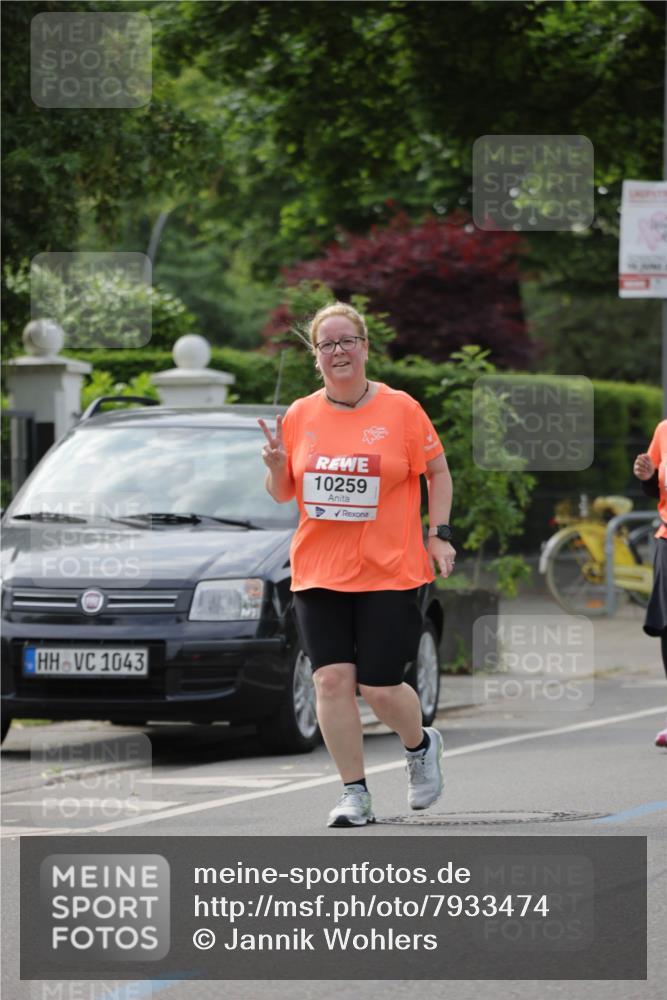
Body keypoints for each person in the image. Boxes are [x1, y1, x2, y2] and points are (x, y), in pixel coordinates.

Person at [259, 301, 455, 827]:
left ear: (365, 348)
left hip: (389, 568)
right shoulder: (301, 414)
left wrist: (439, 536)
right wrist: (277, 467)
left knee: (380, 685)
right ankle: (354, 793)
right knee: (330, 682)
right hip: (319, 570)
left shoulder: (401, 409)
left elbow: (437, 474)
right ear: (315, 356)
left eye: (347, 341)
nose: (338, 351)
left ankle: (419, 747)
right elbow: (283, 495)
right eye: (327, 344)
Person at [633, 419, 667, 749]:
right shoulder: (663, 430)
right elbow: (656, 488)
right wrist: (647, 476)